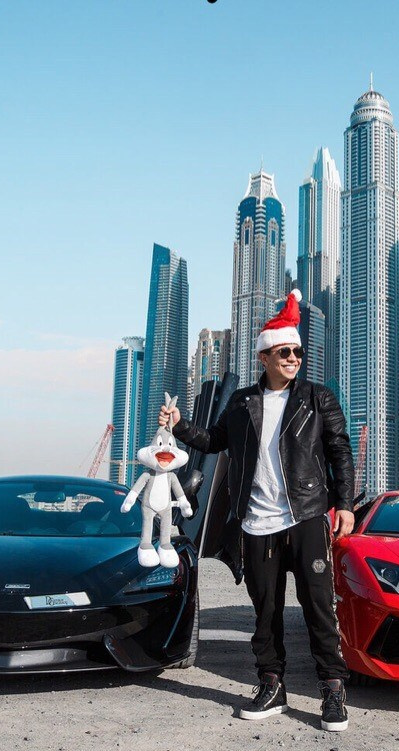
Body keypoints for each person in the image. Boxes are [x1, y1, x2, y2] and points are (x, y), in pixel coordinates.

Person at [158, 289, 355, 732]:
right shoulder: (243, 402)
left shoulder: (316, 398)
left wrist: (343, 503)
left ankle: (332, 690)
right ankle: (271, 684)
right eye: (284, 351)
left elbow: (339, 452)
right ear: (264, 355)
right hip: (256, 522)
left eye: (297, 351)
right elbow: (214, 442)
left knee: (318, 606)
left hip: (306, 515)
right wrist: (179, 426)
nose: (293, 358)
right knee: (265, 611)